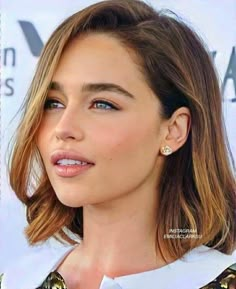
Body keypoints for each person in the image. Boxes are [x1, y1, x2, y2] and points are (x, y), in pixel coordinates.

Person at [1, 0, 236, 288]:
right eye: (54, 103)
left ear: (173, 131)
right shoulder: (15, 281)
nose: (63, 128)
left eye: (102, 104)